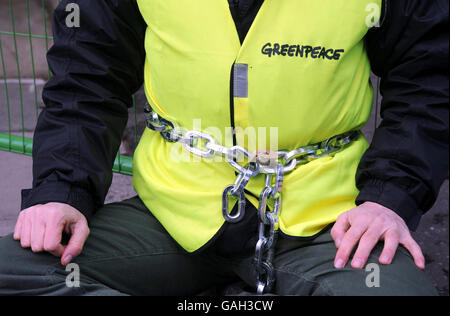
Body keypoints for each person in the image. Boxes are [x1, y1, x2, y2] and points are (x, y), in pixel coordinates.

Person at [0, 0, 448, 296]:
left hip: (327, 220)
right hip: (174, 212)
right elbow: (87, 78)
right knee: (15, 270)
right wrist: (61, 190)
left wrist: (389, 200)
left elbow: (429, 82)